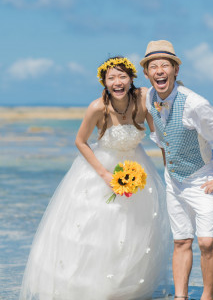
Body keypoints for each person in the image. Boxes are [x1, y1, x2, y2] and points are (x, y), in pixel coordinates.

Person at [20, 56, 170, 300]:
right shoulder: (97, 107)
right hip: (101, 168)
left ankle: (126, 288)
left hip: (137, 167)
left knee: (133, 230)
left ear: (132, 79)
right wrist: (104, 174)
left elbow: (159, 136)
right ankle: (89, 288)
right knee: (97, 231)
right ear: (104, 82)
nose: (118, 82)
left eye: (122, 76)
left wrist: (170, 167)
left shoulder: (143, 100)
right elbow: (80, 142)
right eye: (111, 78)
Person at [140, 40, 213, 300]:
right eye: (153, 66)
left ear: (175, 70)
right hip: (174, 181)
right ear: (147, 73)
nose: (159, 70)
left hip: (203, 178)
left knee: (207, 242)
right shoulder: (148, 97)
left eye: (165, 65)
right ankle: (180, 297)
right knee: (181, 241)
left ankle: (207, 296)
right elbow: (160, 137)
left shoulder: (195, 104)